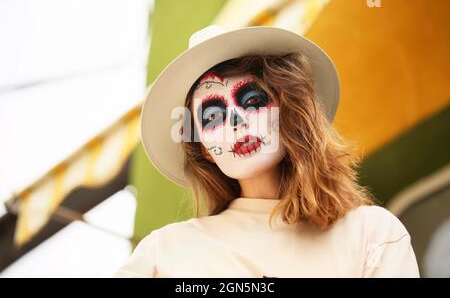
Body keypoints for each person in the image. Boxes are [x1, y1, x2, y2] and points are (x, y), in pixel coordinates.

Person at [114, 25, 420, 277]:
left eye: (252, 101)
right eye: (212, 117)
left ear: (289, 110)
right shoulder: (165, 254)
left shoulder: (371, 234)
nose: (236, 121)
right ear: (204, 149)